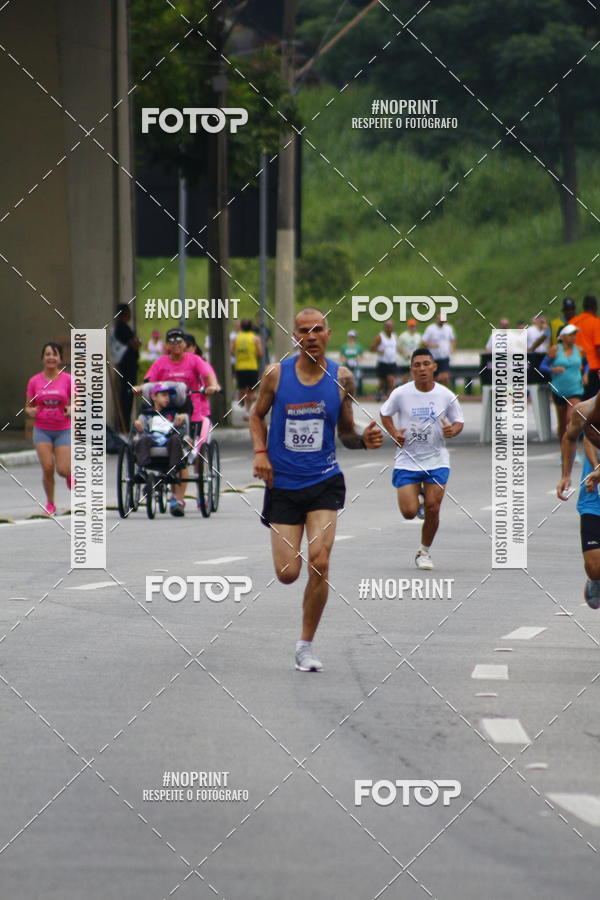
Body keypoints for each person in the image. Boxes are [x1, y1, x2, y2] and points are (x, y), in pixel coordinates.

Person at [250, 307, 383, 672]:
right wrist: (261, 453)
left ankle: (305, 645)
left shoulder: (341, 377)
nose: (311, 335)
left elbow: (346, 433)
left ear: (328, 334)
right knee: (288, 573)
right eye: (303, 330)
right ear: (295, 337)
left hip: (324, 481)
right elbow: (255, 415)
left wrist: (364, 440)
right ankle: (303, 635)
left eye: (317, 329)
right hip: (283, 484)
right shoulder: (276, 376)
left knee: (320, 561)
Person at [380, 348, 464, 570]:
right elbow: (385, 413)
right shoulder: (400, 393)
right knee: (408, 512)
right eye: (417, 365)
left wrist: (452, 431)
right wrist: (394, 432)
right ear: (411, 369)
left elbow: (458, 421)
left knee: (433, 508)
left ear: (434, 366)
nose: (422, 369)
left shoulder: (446, 395)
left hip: (437, 460)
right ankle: (418, 497)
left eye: (426, 364)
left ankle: (424, 551)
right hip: (408, 460)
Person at [142, 327, 219, 515]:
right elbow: (149, 380)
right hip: (164, 414)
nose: (176, 345)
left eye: (179, 341)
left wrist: (213, 385)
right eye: (172, 341)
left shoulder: (194, 360)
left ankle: (179, 500)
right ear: (167, 345)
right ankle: (151, 475)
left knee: (186, 452)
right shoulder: (161, 362)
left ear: (185, 344)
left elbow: (208, 375)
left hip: (190, 412)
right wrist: (143, 388)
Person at [558, 399, 600, 608]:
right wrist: (566, 475)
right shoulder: (584, 410)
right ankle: (595, 579)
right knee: (594, 567)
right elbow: (573, 438)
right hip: (594, 499)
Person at [25, 342, 73, 515]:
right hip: (42, 430)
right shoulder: (34, 381)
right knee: (47, 467)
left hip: (63, 429)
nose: (51, 357)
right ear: (42, 358)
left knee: (62, 469)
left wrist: (72, 409)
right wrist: (31, 411)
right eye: (47, 354)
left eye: (54, 354)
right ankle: (50, 504)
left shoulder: (68, 379)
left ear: (60, 358)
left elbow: (77, 402)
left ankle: (69, 475)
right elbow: (28, 406)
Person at [133, 384, 188, 490]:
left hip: (169, 439)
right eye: (163, 395)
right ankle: (141, 471)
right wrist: (138, 426)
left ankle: (172, 471)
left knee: (176, 439)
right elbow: (141, 433)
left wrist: (178, 425)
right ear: (154, 397)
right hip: (151, 439)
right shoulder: (146, 414)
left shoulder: (175, 414)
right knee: (143, 439)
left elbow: (183, 433)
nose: (167, 398)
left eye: (169, 396)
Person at [540, 323, 584, 442]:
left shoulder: (579, 350)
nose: (573, 337)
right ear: (563, 337)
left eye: (575, 335)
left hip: (575, 389)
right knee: (562, 422)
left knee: (571, 418)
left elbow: (587, 363)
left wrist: (585, 374)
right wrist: (553, 369)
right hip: (558, 389)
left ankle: (572, 448)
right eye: (570, 335)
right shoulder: (555, 349)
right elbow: (542, 366)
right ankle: (563, 449)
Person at [110, 304, 141, 428]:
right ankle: (124, 426)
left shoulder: (117, 327)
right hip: (127, 367)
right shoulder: (122, 327)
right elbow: (134, 343)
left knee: (126, 395)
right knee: (126, 397)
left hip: (125, 366)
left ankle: (124, 424)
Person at [571, 295, 600, 399]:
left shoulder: (573, 322)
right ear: (595, 307)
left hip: (574, 369)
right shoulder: (596, 322)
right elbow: (598, 348)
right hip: (593, 369)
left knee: (579, 404)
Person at [232, 318, 263, 416]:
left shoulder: (236, 338)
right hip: (252, 367)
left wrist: (240, 355)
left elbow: (231, 351)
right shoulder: (255, 338)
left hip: (240, 367)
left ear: (241, 327)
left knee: (241, 389)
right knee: (251, 390)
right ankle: (247, 411)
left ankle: (242, 402)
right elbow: (260, 353)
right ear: (251, 327)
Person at [423, 313, 457, 387]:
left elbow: (453, 339)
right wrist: (432, 345)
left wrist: (452, 349)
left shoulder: (448, 328)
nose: (441, 320)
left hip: (444, 357)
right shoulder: (430, 328)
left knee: (445, 377)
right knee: (435, 378)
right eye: (439, 319)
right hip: (434, 358)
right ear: (436, 319)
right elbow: (424, 341)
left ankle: (446, 394)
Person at [370, 320, 398, 400]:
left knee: (391, 381)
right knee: (382, 383)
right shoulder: (380, 337)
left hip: (392, 363)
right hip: (382, 363)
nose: (389, 329)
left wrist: (404, 353)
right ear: (384, 328)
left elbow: (397, 347)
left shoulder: (394, 336)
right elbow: (371, 348)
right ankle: (379, 392)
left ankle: (391, 398)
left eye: (391, 327)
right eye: (387, 327)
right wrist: (379, 350)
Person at [340, 329, 364, 395]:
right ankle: (345, 392)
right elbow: (342, 356)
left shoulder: (358, 346)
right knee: (345, 379)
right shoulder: (344, 346)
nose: (351, 338)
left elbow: (361, 356)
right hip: (346, 365)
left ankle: (354, 393)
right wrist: (347, 360)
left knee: (356, 378)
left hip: (355, 366)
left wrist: (355, 360)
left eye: (352, 337)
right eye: (350, 336)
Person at [398, 319, 422, 383]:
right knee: (405, 378)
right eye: (411, 326)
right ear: (408, 327)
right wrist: (404, 354)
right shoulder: (403, 336)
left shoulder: (418, 336)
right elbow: (398, 347)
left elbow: (419, 347)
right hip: (405, 361)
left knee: (414, 377)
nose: (412, 328)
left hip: (414, 361)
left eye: (413, 326)